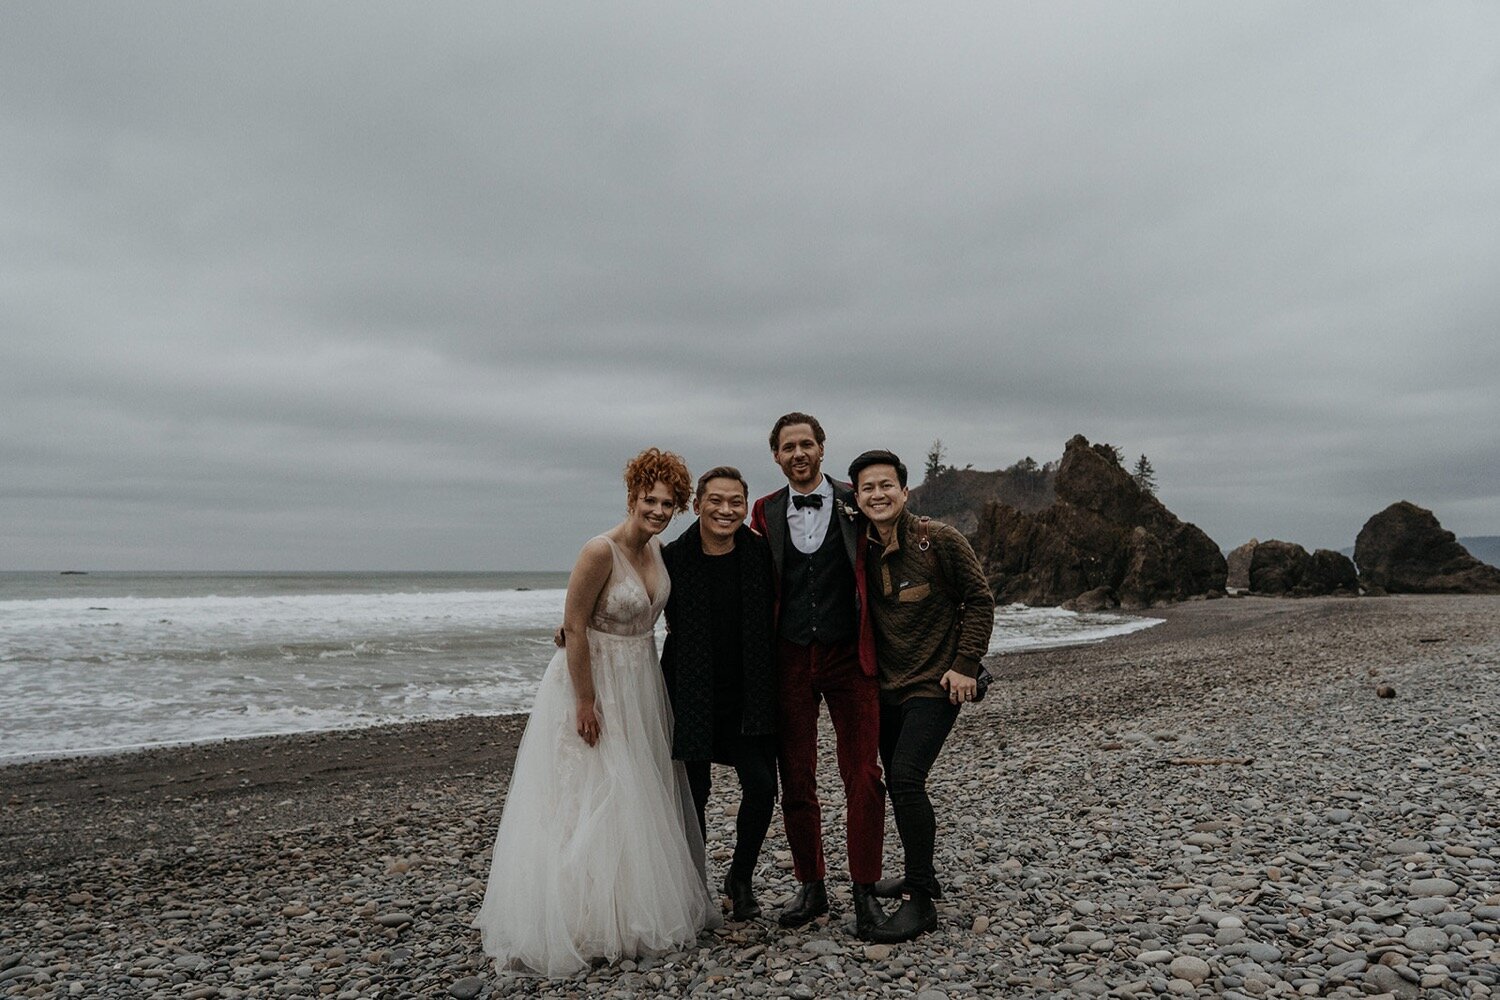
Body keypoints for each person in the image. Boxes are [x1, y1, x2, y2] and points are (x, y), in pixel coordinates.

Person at [474, 448, 718, 976]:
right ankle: (580, 919)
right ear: (631, 496)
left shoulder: (658, 553)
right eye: (649, 500)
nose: (658, 510)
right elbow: (576, 626)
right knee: (591, 790)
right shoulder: (598, 550)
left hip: (641, 680)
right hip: (595, 681)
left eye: (669, 503)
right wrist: (585, 701)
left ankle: (632, 911)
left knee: (638, 791)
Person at [847, 449, 995, 943]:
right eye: (867, 488)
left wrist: (965, 665)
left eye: (886, 485)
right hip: (885, 686)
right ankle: (918, 872)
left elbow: (979, 599)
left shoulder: (939, 540)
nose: (878, 494)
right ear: (858, 497)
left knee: (908, 779)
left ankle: (920, 901)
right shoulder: (859, 547)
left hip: (935, 684)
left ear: (904, 491)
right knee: (896, 778)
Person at [748, 412, 887, 939]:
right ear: (777, 456)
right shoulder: (763, 511)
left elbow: (901, 543)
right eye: (788, 447)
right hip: (788, 657)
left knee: (863, 774)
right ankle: (812, 885)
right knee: (797, 777)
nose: (799, 453)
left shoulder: (858, 500)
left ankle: (865, 891)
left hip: (850, 656)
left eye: (807, 444)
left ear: (823, 449)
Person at [660, 466, 778, 921]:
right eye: (716, 501)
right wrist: (573, 626)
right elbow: (629, 594)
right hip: (689, 693)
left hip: (749, 693)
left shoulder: (760, 553)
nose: (726, 510)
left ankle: (740, 878)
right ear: (698, 505)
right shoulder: (673, 557)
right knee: (694, 794)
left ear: (745, 507)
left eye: (735, 502)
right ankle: (695, 887)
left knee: (762, 787)